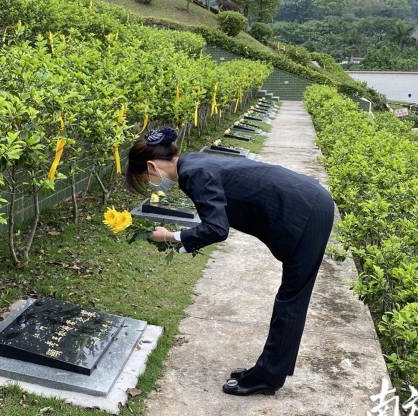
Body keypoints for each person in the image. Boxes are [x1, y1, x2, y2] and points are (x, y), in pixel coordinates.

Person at [125, 127, 335, 396]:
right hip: (307, 202)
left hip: (306, 211)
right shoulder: (193, 163)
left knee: (291, 300)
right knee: (291, 298)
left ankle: (267, 377)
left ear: (153, 166)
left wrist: (173, 236)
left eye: (146, 177)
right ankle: (269, 370)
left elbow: (216, 228)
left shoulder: (192, 173)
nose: (151, 183)